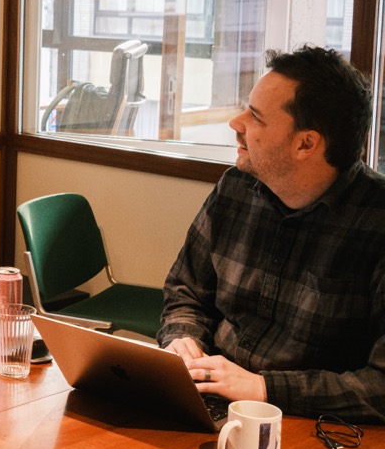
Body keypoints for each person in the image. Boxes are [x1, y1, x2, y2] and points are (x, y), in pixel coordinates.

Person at [159, 44, 385, 423]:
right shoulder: (235, 188)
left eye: (256, 117)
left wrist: (263, 388)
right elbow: (186, 291)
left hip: (310, 422)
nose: (237, 123)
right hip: (212, 398)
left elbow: (380, 386)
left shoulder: (376, 221)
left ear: (305, 143)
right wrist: (184, 341)